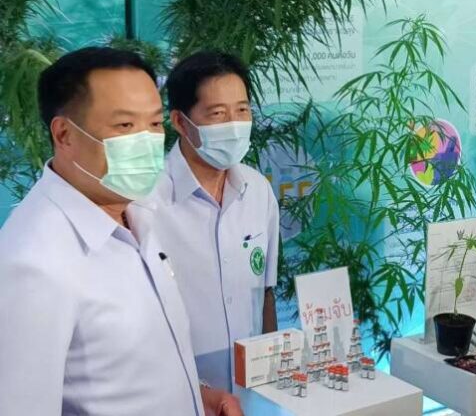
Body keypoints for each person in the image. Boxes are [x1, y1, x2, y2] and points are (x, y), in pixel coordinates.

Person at [0, 47, 240, 416]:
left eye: (154, 124)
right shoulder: (32, 263)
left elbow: (130, 367)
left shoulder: (136, 212)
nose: (146, 141)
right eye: (125, 126)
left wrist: (195, 395)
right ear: (64, 134)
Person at [129, 51, 279, 395]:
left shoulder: (257, 190)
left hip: (251, 392)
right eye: (218, 114)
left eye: (242, 110)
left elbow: (265, 292)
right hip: (173, 395)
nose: (234, 124)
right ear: (180, 122)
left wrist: (272, 382)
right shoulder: (142, 201)